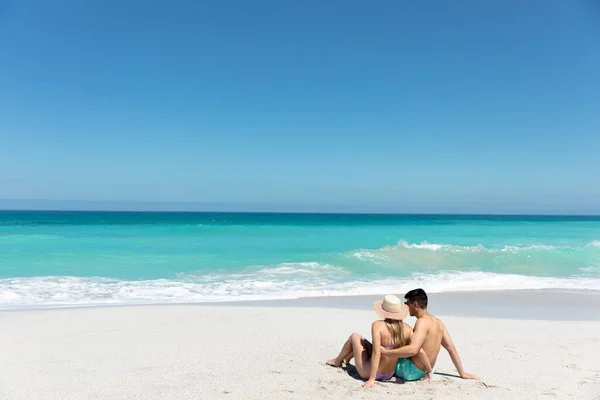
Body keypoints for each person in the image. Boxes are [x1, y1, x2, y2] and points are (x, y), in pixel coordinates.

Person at [326, 294, 433, 388]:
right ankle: (347, 360)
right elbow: (420, 351)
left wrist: (372, 379)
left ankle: (338, 361)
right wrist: (429, 370)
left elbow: (376, 353)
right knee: (366, 343)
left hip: (370, 372)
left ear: (384, 311)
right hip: (389, 373)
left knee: (354, 337)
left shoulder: (378, 325)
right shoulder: (408, 329)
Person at [381, 288, 479, 381]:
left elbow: (413, 350)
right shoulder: (438, 322)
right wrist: (462, 373)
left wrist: (386, 352)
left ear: (415, 304)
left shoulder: (421, 322)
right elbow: (451, 348)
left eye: (407, 303)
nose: (405, 306)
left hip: (411, 372)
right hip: (426, 370)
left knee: (384, 355)